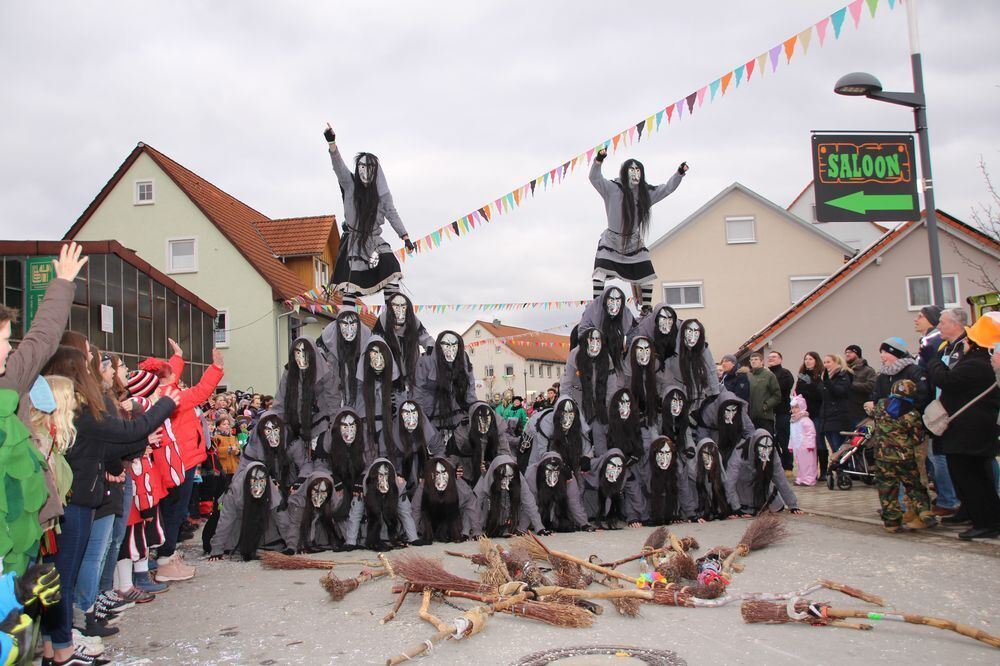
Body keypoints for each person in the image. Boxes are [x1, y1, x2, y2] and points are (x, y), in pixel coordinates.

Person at [323, 123, 414, 309]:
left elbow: (391, 213)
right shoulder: (350, 185)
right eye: (362, 167)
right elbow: (339, 168)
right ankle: (347, 316)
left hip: (373, 237)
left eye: (369, 167)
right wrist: (332, 144)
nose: (365, 171)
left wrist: (404, 236)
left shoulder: (382, 195)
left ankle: (392, 312)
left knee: (390, 264)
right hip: (354, 240)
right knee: (351, 281)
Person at [926, 314, 1000, 540]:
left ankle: (985, 522)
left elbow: (947, 381)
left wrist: (934, 361)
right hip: (973, 431)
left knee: (971, 478)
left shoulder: (976, 364)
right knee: (976, 476)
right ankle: (985, 518)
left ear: (973, 343)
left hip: (968, 433)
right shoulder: (981, 363)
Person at [588, 147, 687, 308]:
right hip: (612, 240)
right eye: (632, 169)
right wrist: (598, 160)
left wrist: (679, 174)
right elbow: (595, 178)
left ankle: (646, 308)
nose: (635, 173)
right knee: (600, 271)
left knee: (647, 275)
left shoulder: (645, 194)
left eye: (638, 170)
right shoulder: (612, 188)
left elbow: (667, 188)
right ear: (625, 172)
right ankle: (597, 305)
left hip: (633, 241)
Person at [870, 379, 934, 533]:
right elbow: (917, 438)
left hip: (882, 457)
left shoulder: (880, 405)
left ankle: (892, 522)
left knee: (887, 489)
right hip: (905, 457)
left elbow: (874, 419)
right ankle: (925, 512)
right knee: (914, 486)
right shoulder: (912, 413)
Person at [817, 354, 852, 481]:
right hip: (827, 418)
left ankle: (843, 472)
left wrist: (827, 382)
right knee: (834, 448)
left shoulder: (843, 376)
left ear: (836, 362)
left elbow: (840, 392)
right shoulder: (826, 377)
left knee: (839, 448)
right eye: (824, 362)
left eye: (828, 362)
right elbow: (821, 394)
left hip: (839, 417)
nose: (826, 365)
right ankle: (839, 471)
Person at [766, 351, 794, 469]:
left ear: (780, 359)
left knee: (784, 439)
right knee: (772, 440)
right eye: (770, 357)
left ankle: (788, 465)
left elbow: (781, 388)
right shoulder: (766, 374)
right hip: (769, 413)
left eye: (774, 357)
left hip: (782, 411)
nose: (771, 359)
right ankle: (779, 464)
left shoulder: (785, 373)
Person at [746, 353, 780, 436]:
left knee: (765, 441)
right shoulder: (748, 376)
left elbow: (777, 395)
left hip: (765, 417)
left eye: (756, 359)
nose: (753, 362)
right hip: (750, 417)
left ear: (762, 361)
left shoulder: (769, 375)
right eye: (751, 360)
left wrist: (766, 406)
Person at [843, 345, 876, 428]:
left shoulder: (868, 370)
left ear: (857, 354)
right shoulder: (843, 371)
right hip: (844, 413)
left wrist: (852, 385)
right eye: (846, 352)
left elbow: (871, 386)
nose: (847, 354)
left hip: (859, 412)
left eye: (850, 352)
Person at [788, 394, 817, 486]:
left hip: (805, 446)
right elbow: (792, 435)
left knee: (808, 463)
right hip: (797, 446)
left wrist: (810, 444)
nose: (794, 410)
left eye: (796, 407)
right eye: (792, 408)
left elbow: (811, 433)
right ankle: (800, 478)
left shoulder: (805, 420)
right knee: (800, 463)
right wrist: (791, 445)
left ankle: (809, 479)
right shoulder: (793, 421)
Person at [794, 352, 823, 422]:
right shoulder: (802, 375)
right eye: (806, 359)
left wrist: (810, 383)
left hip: (815, 412)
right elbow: (797, 391)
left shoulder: (820, 375)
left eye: (810, 359)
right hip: (802, 412)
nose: (807, 361)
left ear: (816, 361)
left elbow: (819, 394)